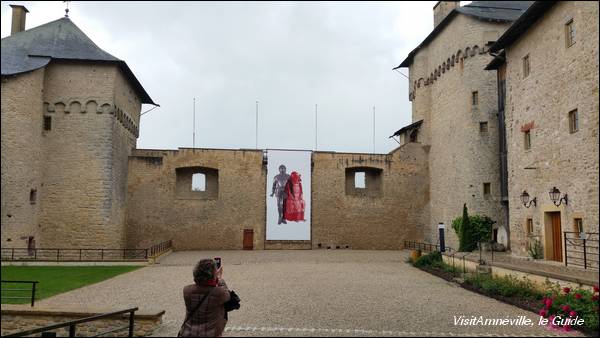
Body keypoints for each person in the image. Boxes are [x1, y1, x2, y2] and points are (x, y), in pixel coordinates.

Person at [179, 259, 230, 337]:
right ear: (212, 275)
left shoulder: (186, 290)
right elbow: (227, 295)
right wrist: (219, 278)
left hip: (188, 333)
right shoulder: (219, 292)